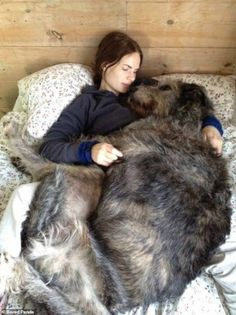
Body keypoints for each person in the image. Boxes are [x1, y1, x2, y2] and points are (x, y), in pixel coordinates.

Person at [0, 31, 234, 314]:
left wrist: (211, 125)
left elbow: (192, 96)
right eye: (126, 69)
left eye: (135, 70)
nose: (133, 78)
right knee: (24, 197)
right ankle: (5, 275)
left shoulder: (145, 92)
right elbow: (51, 146)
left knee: (225, 240)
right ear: (104, 66)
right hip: (111, 181)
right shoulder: (88, 103)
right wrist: (91, 150)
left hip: (168, 185)